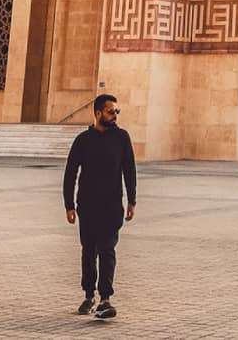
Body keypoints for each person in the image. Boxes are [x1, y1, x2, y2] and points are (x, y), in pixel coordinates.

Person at [63, 93, 137, 320]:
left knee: (107, 250)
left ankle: (105, 298)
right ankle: (88, 295)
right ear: (98, 113)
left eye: (117, 111)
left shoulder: (122, 138)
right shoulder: (83, 141)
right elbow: (70, 173)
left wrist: (132, 200)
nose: (115, 115)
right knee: (88, 251)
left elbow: (129, 169)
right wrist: (69, 204)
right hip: (87, 206)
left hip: (112, 206)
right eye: (110, 111)